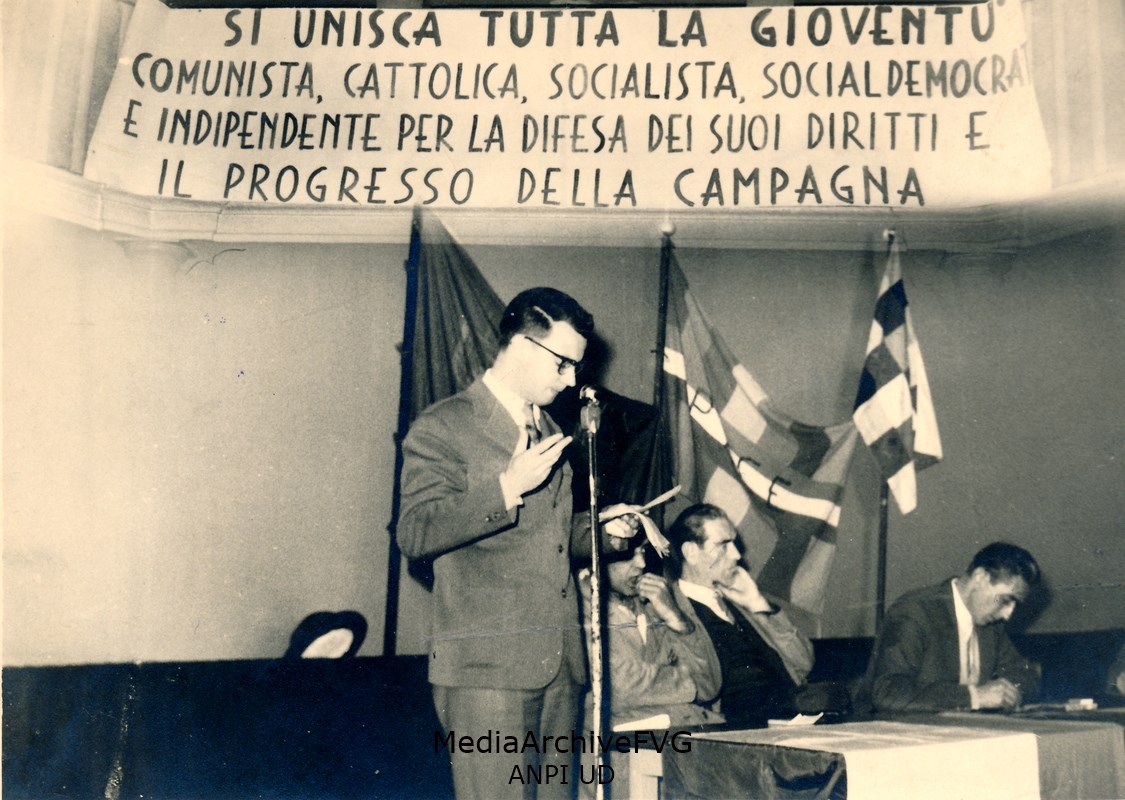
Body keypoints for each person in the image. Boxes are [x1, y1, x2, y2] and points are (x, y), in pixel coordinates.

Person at [396, 287, 637, 800]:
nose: (571, 380)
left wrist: (603, 532)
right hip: (486, 673)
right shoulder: (444, 425)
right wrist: (507, 486)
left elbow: (548, 536)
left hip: (560, 667)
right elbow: (415, 531)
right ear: (525, 346)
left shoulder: (549, 427)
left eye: (576, 367)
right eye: (563, 364)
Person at [663, 503, 834, 728]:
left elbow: (804, 663)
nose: (736, 554)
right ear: (691, 552)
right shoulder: (671, 612)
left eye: (734, 543)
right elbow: (696, 689)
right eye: (723, 545)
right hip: (734, 728)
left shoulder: (741, 601)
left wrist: (758, 605)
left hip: (791, 717)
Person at [865, 541, 1042, 714]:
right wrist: (974, 697)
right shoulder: (915, 612)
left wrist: (1011, 691)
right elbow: (887, 692)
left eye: (1015, 605)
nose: (1007, 614)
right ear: (980, 578)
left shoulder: (991, 624)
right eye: (1005, 600)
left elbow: (1025, 674)